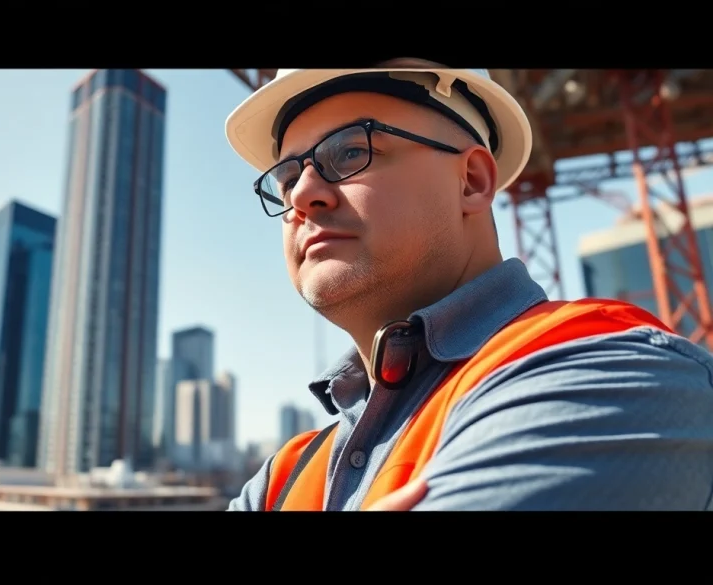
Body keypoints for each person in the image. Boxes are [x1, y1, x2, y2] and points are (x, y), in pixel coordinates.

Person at [223, 62, 713, 511]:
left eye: (351, 151)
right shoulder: (283, 477)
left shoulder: (608, 373)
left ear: (472, 181)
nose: (303, 196)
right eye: (286, 180)